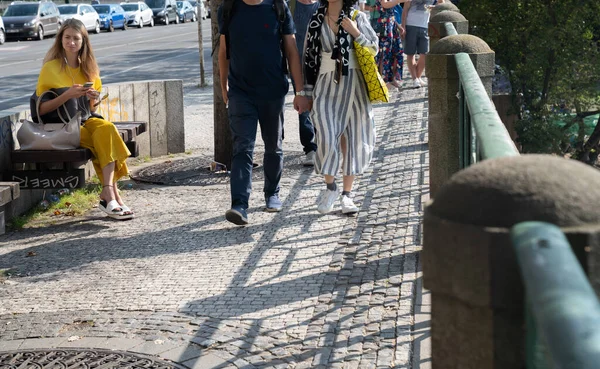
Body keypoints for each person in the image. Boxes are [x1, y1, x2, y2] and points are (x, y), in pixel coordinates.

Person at [218, 0, 310, 226]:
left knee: (273, 145)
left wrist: (300, 91)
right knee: (242, 147)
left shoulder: (278, 6)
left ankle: (272, 193)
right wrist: (223, 86)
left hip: (272, 90)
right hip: (241, 92)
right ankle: (239, 204)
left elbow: (291, 51)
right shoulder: (228, 8)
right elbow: (223, 51)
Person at [34, 18, 133, 220]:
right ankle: (113, 195)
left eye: (76, 38)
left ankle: (107, 193)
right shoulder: (50, 68)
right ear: (61, 40)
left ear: (83, 42)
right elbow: (40, 109)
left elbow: (91, 110)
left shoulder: (90, 69)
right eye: (67, 37)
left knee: (107, 129)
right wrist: (67, 95)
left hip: (86, 120)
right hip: (62, 126)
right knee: (103, 142)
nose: (71, 42)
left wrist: (94, 99)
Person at [303, 0, 378, 214]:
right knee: (325, 136)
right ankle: (331, 187)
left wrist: (355, 32)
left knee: (354, 138)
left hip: (355, 86)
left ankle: (347, 195)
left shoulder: (356, 17)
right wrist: (305, 94)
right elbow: (308, 58)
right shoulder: (316, 19)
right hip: (326, 85)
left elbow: (374, 48)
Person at [291, 0, 319, 166]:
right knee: (304, 108)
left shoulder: (323, 4)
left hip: (321, 66)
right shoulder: (290, 6)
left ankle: (323, 144)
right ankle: (310, 148)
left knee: (320, 105)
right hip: (298, 67)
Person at [400, 0, 443, 87]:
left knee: (425, 53)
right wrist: (403, 27)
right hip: (410, 25)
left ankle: (418, 77)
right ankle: (415, 79)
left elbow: (442, 4)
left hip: (425, 26)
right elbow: (404, 11)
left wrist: (434, 7)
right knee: (410, 53)